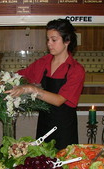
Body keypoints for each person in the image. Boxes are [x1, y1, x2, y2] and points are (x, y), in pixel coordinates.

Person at [5, 18, 85, 150]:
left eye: (54, 40)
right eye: (48, 39)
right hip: (44, 124)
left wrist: (31, 89)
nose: (49, 44)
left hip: (64, 128)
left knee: (63, 164)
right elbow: (20, 75)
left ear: (67, 41)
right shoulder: (43, 62)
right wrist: (3, 78)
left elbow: (59, 100)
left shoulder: (76, 70)